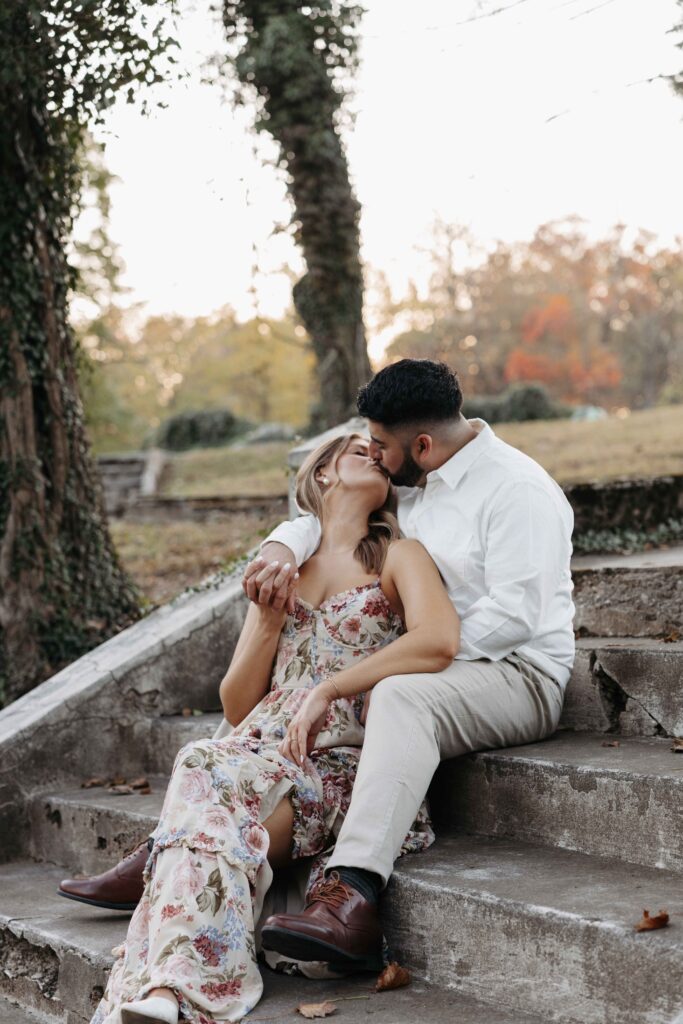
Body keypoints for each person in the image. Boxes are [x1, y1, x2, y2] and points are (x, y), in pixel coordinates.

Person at [88, 431, 459, 1024]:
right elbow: (237, 705)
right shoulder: (284, 569)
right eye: (357, 449)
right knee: (207, 788)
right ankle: (167, 994)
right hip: (254, 757)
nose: (376, 454)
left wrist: (330, 689)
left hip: (338, 764)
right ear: (322, 475)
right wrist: (265, 619)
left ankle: (179, 987)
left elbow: (439, 640)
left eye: (380, 452)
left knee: (200, 774)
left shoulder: (397, 555)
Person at [249, 358, 574, 969]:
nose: (373, 457)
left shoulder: (518, 491)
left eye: (380, 445)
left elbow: (513, 620)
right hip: (434, 661)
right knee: (309, 690)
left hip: (520, 674)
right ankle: (199, 829)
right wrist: (281, 545)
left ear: (421, 444)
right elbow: (326, 508)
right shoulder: (415, 474)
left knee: (397, 694)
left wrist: (397, 657)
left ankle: (352, 893)